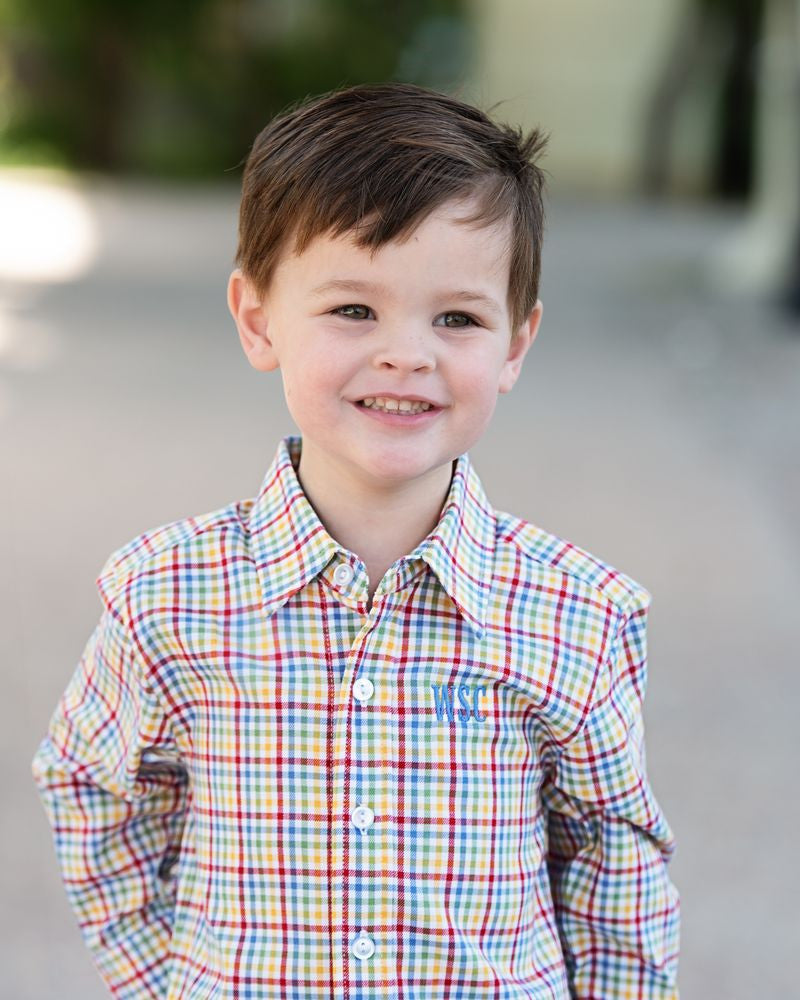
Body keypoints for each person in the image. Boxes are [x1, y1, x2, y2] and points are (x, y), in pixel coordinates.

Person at [32, 82, 680, 999]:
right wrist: (168, 979)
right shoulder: (166, 595)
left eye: (456, 318)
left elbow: (616, 868)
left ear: (514, 344)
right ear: (259, 320)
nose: (406, 353)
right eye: (353, 311)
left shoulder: (581, 613)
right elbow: (94, 789)